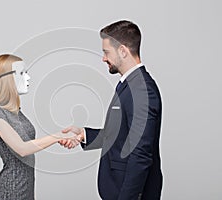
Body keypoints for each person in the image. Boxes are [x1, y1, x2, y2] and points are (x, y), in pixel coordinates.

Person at [60, 20, 163, 200]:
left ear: (123, 51)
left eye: (106, 52)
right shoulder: (128, 85)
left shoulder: (141, 90)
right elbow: (120, 136)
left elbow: (141, 154)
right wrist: (84, 134)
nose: (103, 58)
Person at [0, 54, 78, 200]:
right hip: (11, 191)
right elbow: (22, 149)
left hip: (26, 189)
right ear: (8, 78)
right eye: (22, 73)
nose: (28, 77)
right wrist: (58, 136)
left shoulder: (16, 112)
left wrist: (62, 135)